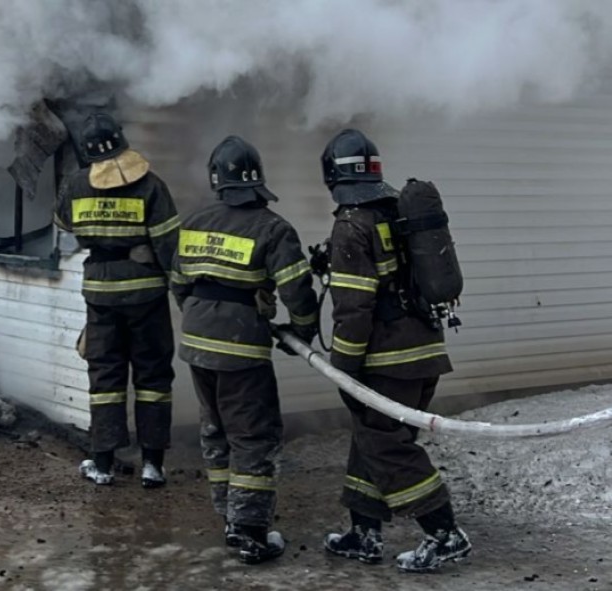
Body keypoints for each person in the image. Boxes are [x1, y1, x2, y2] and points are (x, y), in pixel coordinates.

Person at [319, 128, 471, 572]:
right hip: (423, 351)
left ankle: (444, 534)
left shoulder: (352, 223)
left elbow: (354, 308)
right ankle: (364, 533)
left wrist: (343, 371)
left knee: (387, 447)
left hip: (387, 361)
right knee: (372, 440)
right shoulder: (394, 212)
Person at [171, 135, 319, 564]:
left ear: (217, 181)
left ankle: (229, 516)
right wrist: (303, 332)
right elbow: (296, 289)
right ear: (257, 182)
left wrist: (202, 314)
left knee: (215, 430)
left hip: (197, 344)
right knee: (253, 435)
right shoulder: (273, 228)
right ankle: (251, 531)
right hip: (240, 349)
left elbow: (179, 283)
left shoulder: (194, 222)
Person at [53, 112, 179, 488]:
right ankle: (152, 465)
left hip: (100, 295)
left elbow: (63, 232)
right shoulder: (151, 186)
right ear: (121, 141)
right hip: (147, 295)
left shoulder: (75, 185)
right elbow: (170, 246)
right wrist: (181, 286)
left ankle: (103, 463)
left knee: (105, 377)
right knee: (153, 376)